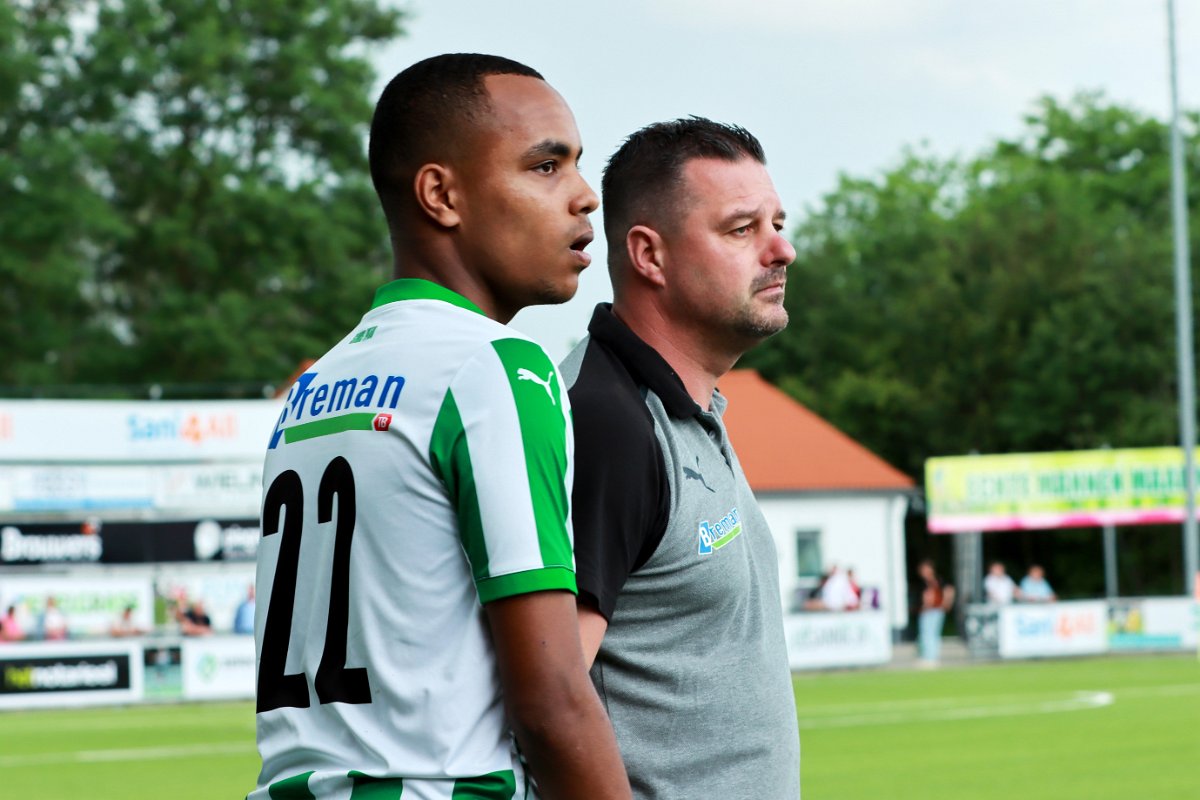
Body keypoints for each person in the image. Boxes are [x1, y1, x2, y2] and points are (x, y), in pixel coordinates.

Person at [249, 54, 629, 800]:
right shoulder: (495, 367)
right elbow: (552, 702)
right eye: (545, 166)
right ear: (441, 195)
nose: (585, 196)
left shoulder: (313, 388)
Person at [560, 117, 800, 799]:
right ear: (649, 255)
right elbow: (548, 701)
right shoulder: (606, 424)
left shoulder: (690, 410)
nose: (781, 250)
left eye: (777, 224)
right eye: (741, 229)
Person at [916, 559, 955, 665]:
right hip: (926, 611)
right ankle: (927, 656)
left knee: (931, 634)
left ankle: (931, 657)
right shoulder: (923, 583)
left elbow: (949, 590)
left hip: (935, 610)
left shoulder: (938, 581)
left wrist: (946, 603)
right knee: (925, 634)